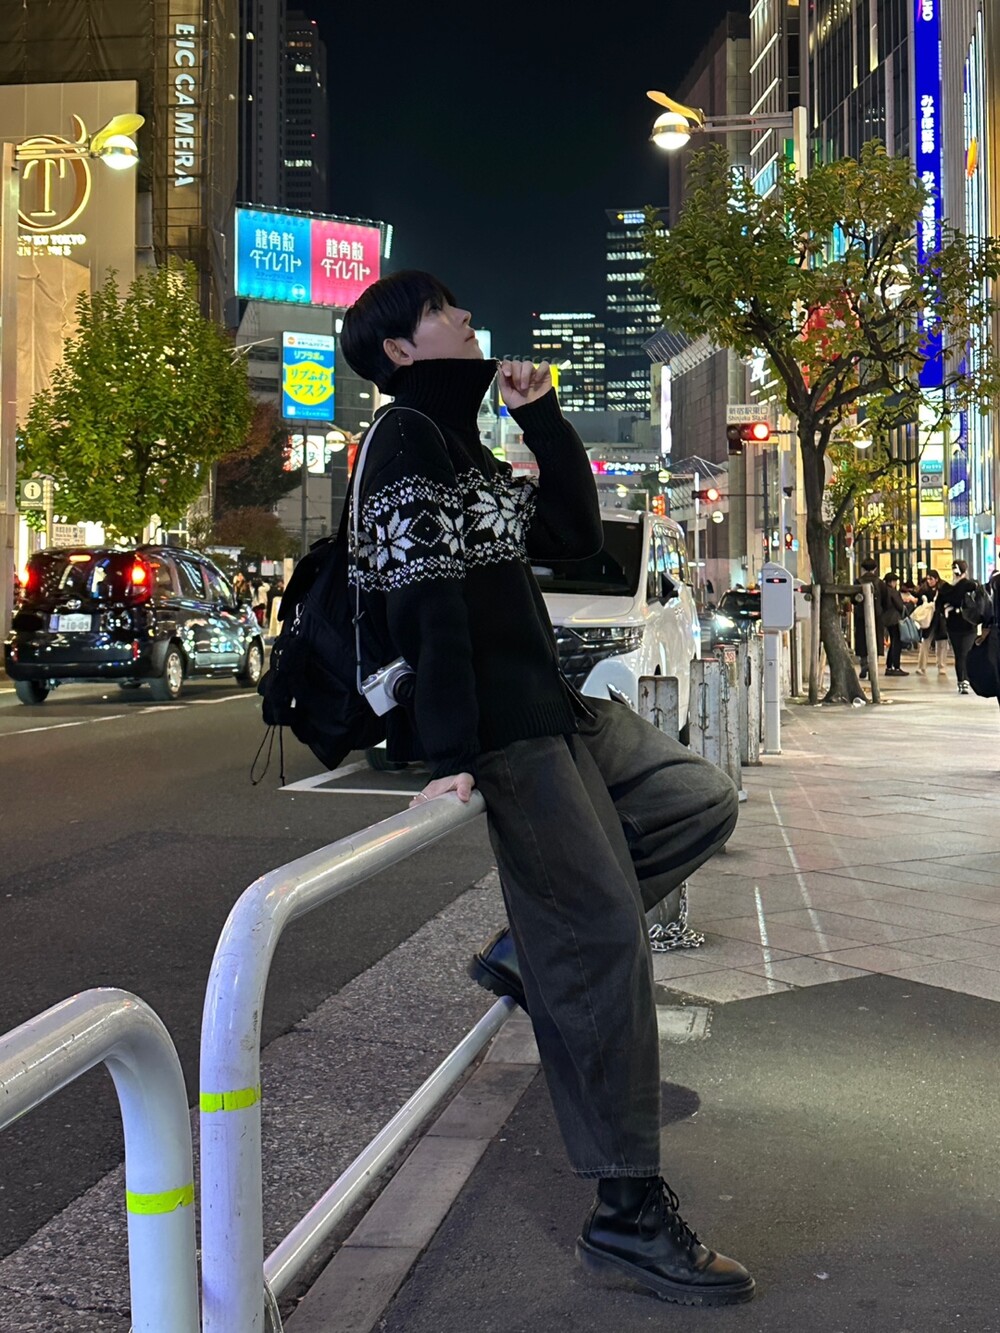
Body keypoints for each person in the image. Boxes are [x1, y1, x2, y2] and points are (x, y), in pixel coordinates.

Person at [340, 271, 753, 1307]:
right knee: (608, 941)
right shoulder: (403, 439)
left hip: (555, 709)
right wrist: (448, 750)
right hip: (505, 733)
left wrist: (542, 419)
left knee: (697, 799)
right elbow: (423, 604)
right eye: (443, 312)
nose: (466, 317)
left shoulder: (464, 440)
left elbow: (572, 535)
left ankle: (534, 948)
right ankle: (626, 1212)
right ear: (400, 348)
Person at [938, 558, 978, 694]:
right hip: (969, 624)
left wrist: (947, 609)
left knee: (959, 654)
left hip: (953, 624)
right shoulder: (971, 585)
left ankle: (962, 680)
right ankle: (964, 680)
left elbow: (939, 605)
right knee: (965, 653)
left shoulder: (946, 588)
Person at [853, 557, 886, 680]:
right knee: (875, 641)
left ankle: (864, 665)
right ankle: (873, 668)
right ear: (875, 569)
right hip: (877, 616)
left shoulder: (858, 582)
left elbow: (853, 599)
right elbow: (885, 600)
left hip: (861, 616)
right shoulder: (880, 583)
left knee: (862, 641)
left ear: (862, 568)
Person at [913, 569, 948, 676]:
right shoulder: (924, 590)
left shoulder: (943, 588)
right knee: (925, 643)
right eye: (928, 579)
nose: (929, 581)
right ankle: (921, 667)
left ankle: (941, 666)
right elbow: (918, 601)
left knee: (942, 644)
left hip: (940, 619)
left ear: (936, 579)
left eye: (931, 579)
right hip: (928, 620)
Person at [882, 573, 913, 676]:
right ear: (892, 582)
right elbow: (899, 606)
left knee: (893, 642)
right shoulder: (893, 592)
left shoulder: (883, 591)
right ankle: (896, 666)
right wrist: (909, 604)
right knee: (897, 642)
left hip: (886, 619)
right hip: (894, 619)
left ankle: (889, 666)